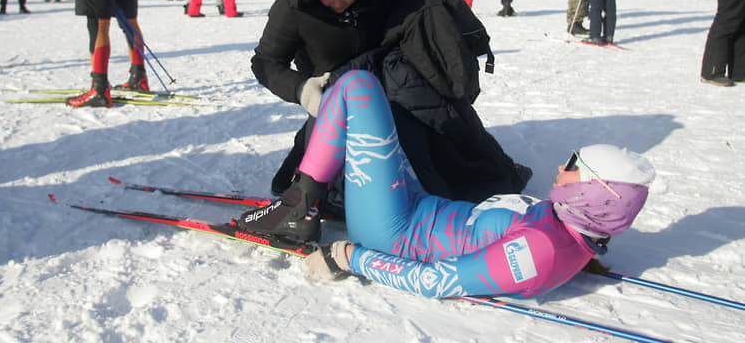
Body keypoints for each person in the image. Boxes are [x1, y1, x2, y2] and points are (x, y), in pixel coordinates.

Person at [237, 69, 655, 301]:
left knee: (357, 88)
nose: (561, 170)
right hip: (415, 207)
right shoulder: (572, 231)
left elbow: (436, 282)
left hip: (393, 233)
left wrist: (347, 257)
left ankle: (298, 205)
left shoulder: (539, 251)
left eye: (573, 168)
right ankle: (307, 191)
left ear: (591, 195)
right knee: (368, 103)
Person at [251, 0, 529, 212]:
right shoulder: (292, 5)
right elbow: (265, 62)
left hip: (392, 79)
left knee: (432, 131)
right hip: (335, 95)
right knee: (332, 176)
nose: (338, 3)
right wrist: (302, 89)